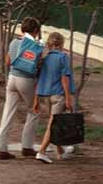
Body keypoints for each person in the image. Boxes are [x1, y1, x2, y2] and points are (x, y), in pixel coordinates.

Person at [0, 17, 43, 160]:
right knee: (34, 111)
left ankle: (1, 148)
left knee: (8, 113)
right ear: (36, 31)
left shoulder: (14, 42)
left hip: (12, 79)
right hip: (26, 80)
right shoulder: (35, 45)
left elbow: (8, 61)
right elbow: (37, 63)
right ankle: (27, 146)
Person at [33, 32, 76, 164]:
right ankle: (42, 152)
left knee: (54, 123)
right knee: (53, 124)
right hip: (58, 95)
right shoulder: (63, 57)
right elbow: (64, 79)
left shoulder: (44, 58)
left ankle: (60, 152)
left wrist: (36, 100)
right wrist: (68, 99)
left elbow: (39, 79)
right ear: (62, 44)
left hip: (45, 95)